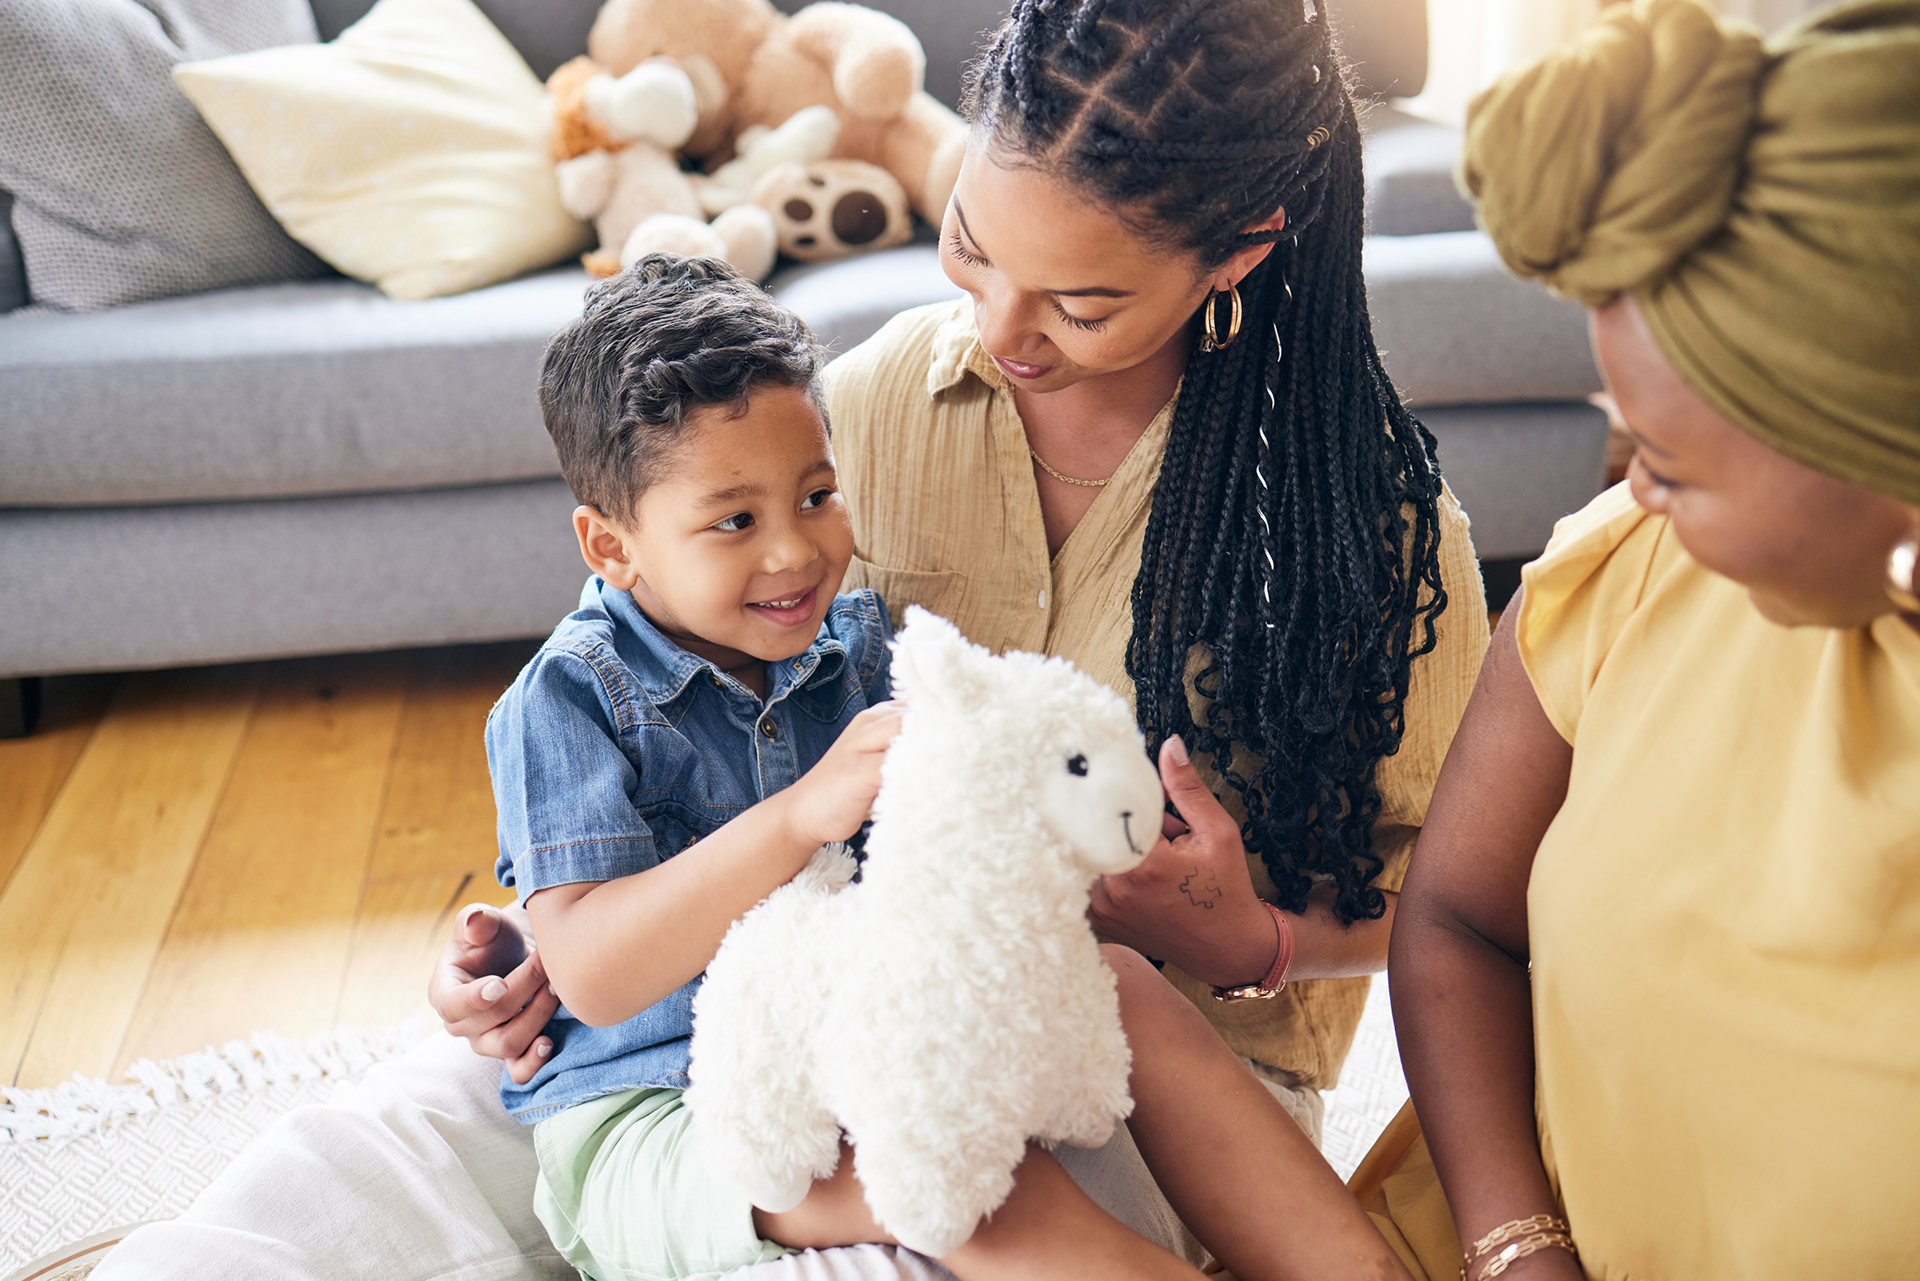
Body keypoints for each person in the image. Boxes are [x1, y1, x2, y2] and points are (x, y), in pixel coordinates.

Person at [439, 0, 1490, 1256]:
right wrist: (535, 946)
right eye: (970, 245)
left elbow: (1469, 897)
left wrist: (1258, 938)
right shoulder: (869, 407)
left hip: (1173, 1084)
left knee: (989, 1133)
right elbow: (650, 663)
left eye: (1081, 303)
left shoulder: (1358, 521)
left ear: (1239, 251)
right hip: (840, 1017)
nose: (996, 332)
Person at [492, 251, 1404, 1281]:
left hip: (869, 1037)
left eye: (818, 495)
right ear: (610, 550)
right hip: (680, 1116)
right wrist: (799, 817)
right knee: (956, 1168)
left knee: (1109, 984)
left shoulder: (857, 644)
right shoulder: (568, 699)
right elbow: (592, 975)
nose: (794, 552)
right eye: (735, 522)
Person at [1374, 1, 1920, 1278]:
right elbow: (1455, 918)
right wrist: (1518, 1249)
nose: (1637, 494)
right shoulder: (1628, 573)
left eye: (1671, 464)